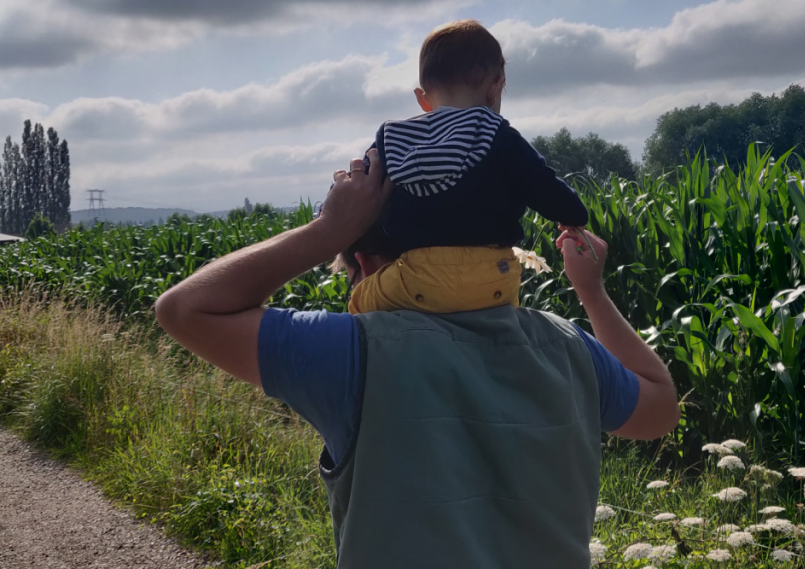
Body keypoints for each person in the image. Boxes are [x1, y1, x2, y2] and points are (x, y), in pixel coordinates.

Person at [155, 153, 679, 569]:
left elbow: (184, 308)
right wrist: (592, 292)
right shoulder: (568, 347)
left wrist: (328, 228)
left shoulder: (351, 352)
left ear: (365, 263)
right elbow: (659, 408)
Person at [339, 19, 589, 315]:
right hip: (494, 280)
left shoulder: (393, 138)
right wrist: (574, 216)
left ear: (422, 99)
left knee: (360, 303)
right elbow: (543, 184)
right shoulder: (498, 135)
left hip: (415, 281)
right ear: (495, 89)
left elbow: (356, 189)